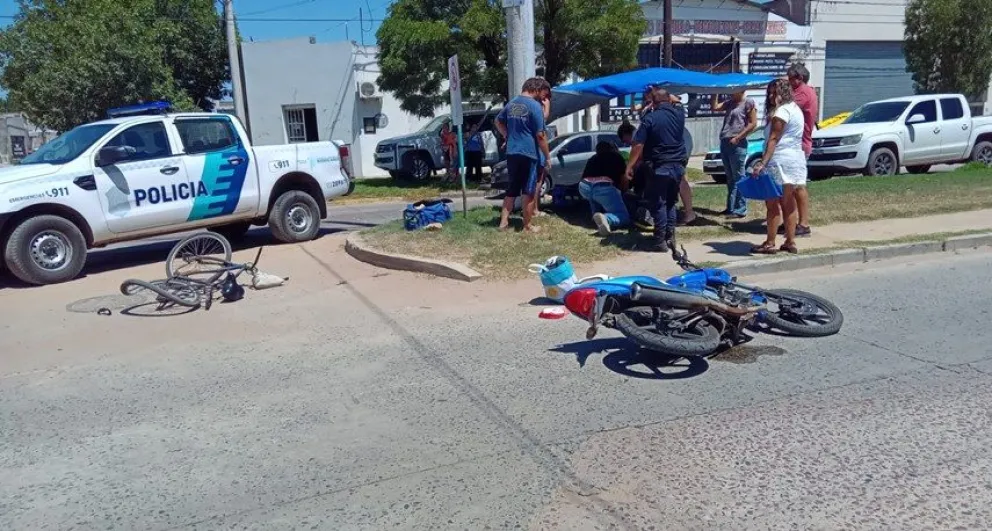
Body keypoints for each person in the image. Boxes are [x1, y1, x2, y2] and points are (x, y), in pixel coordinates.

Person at [624, 86, 687, 253]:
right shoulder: (679, 113)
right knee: (671, 202)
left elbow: (638, 145)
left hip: (659, 166)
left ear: (653, 102)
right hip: (678, 166)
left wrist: (630, 166)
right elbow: (677, 101)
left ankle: (659, 241)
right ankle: (670, 237)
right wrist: (659, 92)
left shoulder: (650, 119)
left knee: (659, 204)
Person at [750, 79, 807, 255]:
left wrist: (762, 163)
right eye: (769, 93)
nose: (770, 96)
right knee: (788, 202)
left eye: (774, 93)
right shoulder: (795, 109)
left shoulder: (782, 111)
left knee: (772, 203)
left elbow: (774, 138)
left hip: (779, 160)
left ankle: (770, 242)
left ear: (783, 93)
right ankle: (790, 241)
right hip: (794, 160)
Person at [495, 77, 552, 233]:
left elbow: (498, 121)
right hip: (529, 153)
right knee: (529, 190)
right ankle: (527, 226)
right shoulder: (534, 106)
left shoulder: (512, 103)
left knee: (512, 188)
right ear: (537, 89)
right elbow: (540, 135)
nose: (544, 97)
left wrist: (507, 135)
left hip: (512, 152)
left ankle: (503, 223)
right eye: (544, 94)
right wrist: (547, 156)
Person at [711, 91, 758, 218]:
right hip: (725, 141)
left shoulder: (748, 102)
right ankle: (730, 207)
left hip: (738, 143)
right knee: (730, 177)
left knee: (739, 176)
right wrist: (715, 91)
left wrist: (738, 137)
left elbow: (753, 123)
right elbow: (715, 107)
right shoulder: (730, 103)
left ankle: (740, 208)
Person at [786, 63, 818, 237]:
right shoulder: (801, 91)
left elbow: (785, 108)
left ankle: (804, 224)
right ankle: (792, 221)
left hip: (799, 145)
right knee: (789, 186)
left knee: (798, 186)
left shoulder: (803, 93)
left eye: (790, 79)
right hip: (793, 145)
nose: (788, 82)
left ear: (799, 78)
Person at [579, 141, 629, 236]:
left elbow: (584, 176)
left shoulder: (593, 158)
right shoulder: (617, 157)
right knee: (624, 215)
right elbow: (624, 179)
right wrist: (624, 191)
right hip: (602, 187)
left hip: (584, 186)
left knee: (595, 198)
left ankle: (595, 217)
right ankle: (606, 219)